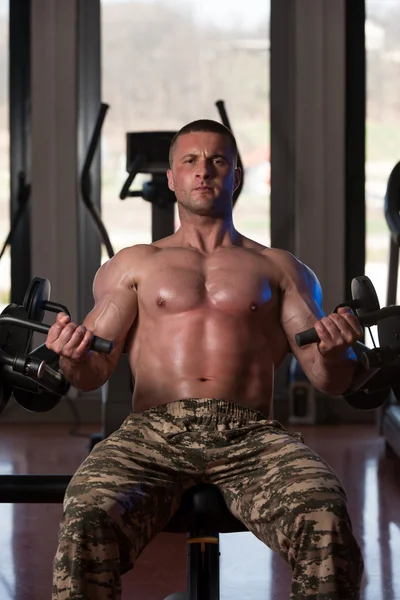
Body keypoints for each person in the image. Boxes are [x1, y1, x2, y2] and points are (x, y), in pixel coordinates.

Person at [49, 119, 366, 600]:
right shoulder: (134, 265)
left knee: (324, 514)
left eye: (218, 161)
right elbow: (90, 373)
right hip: (152, 432)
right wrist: (71, 356)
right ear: (172, 177)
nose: (204, 172)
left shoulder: (280, 268)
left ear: (236, 176)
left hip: (250, 435)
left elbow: (329, 379)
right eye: (190, 161)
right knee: (86, 512)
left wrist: (338, 351)